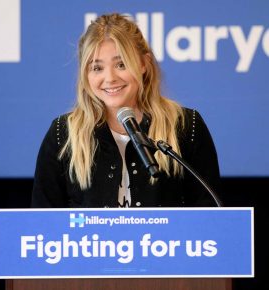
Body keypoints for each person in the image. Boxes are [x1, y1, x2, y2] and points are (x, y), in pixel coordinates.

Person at [31, 13, 221, 208]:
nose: (110, 78)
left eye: (121, 64)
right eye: (97, 68)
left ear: (143, 64)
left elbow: (209, 217)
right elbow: (42, 223)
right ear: (85, 74)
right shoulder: (63, 133)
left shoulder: (186, 125)